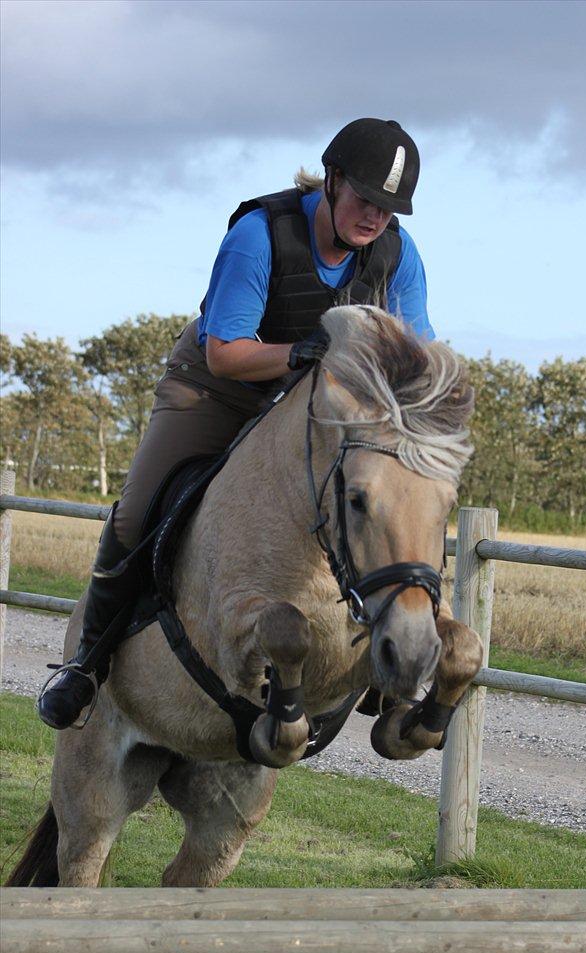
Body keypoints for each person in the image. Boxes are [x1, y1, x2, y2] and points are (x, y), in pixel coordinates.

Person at [38, 117, 435, 730]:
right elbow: (226, 351)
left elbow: (412, 355)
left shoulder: (396, 254)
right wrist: (306, 352)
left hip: (312, 408)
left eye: (389, 209)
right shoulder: (261, 235)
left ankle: (391, 663)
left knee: (380, 501)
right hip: (215, 392)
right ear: (331, 181)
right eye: (365, 199)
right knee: (137, 509)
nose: (374, 219)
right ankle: (86, 664)